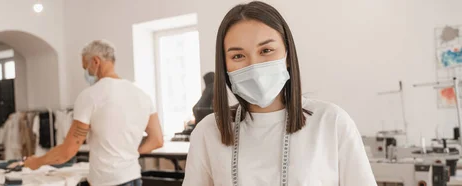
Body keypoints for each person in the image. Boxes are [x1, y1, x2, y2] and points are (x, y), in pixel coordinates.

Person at [182, 2, 376, 186]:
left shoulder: (332, 122)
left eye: (266, 50)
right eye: (238, 56)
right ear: (224, 66)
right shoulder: (208, 132)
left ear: (288, 56)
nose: (254, 66)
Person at [24, 40, 164, 186]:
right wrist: (128, 154)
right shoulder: (142, 95)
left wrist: (36, 162)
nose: (86, 73)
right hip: (134, 178)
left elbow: (67, 151)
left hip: (108, 181)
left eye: (86, 67)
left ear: (96, 61)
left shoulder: (90, 96)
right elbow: (157, 140)